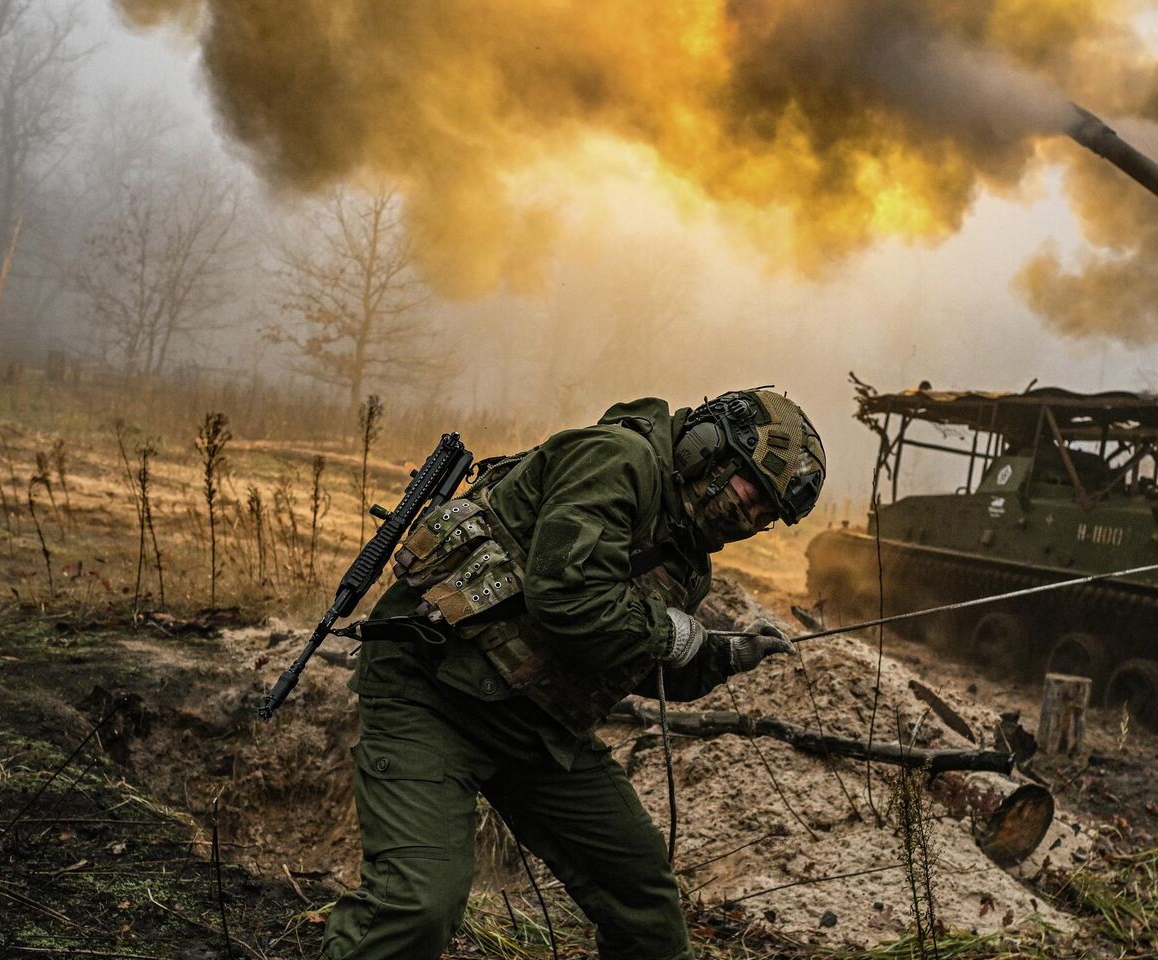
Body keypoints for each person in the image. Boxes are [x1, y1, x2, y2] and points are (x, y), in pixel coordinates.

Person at [319, 388, 826, 960]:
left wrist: (725, 654)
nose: (752, 518)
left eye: (767, 516)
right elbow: (566, 597)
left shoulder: (687, 560)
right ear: (711, 450)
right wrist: (672, 633)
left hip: (536, 728)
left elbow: (639, 662)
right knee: (416, 905)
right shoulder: (617, 460)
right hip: (434, 691)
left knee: (644, 902)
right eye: (753, 492)